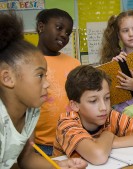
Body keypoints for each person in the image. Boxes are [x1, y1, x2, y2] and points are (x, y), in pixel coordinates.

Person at [0, 11, 87, 169]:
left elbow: (26, 159)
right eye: (40, 75)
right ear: (7, 78)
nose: (47, 84)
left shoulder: (31, 112)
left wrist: (61, 165)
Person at [52, 65, 133, 165]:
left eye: (107, 98)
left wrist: (115, 142)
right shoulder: (67, 123)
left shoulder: (110, 116)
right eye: (93, 101)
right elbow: (98, 156)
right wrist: (108, 135)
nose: (103, 107)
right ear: (75, 105)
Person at [34, 8, 81, 156]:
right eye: (59, 28)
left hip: (73, 140)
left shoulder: (74, 63)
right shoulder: (26, 62)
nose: (64, 35)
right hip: (40, 145)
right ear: (41, 27)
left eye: (68, 33)